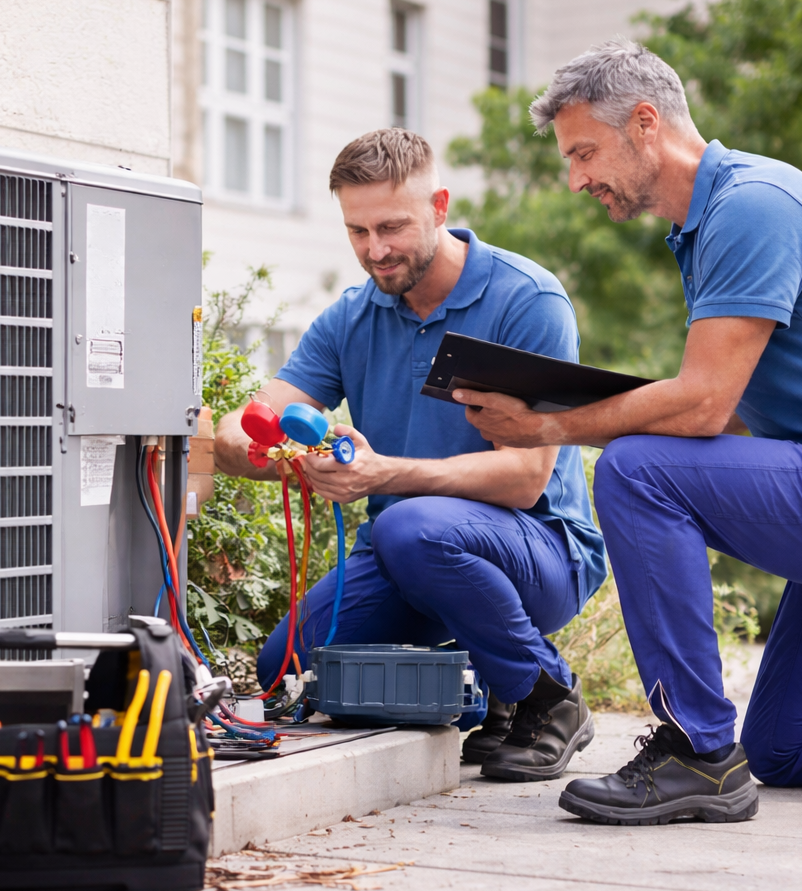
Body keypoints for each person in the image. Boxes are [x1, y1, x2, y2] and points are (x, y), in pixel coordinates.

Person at [460, 40, 802, 825]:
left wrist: (549, 426)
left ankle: (695, 750)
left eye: (585, 151)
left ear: (647, 123)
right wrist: (568, 407)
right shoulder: (710, 225)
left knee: (635, 470)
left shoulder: (751, 204)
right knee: (787, 745)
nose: (577, 178)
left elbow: (697, 411)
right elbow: (723, 413)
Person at [213, 128, 607, 781]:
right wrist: (276, 455)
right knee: (282, 664)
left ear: (440, 206)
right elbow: (247, 422)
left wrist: (384, 475)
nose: (376, 250)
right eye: (358, 232)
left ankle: (547, 695)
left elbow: (525, 479)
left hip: (540, 549)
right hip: (410, 554)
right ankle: (485, 685)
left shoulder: (524, 301)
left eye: (392, 227)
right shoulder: (352, 317)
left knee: (407, 523)